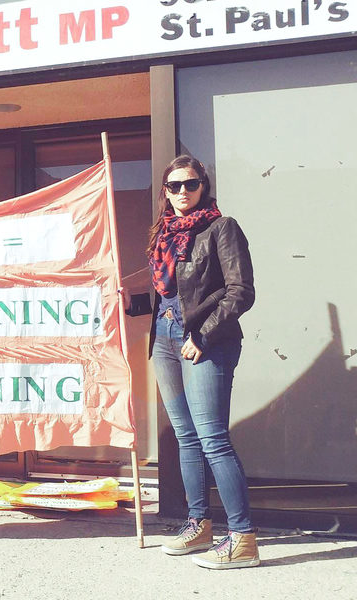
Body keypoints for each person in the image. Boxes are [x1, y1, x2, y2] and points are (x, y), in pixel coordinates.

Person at [127, 155, 258, 569]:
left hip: (205, 342)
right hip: (164, 339)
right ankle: (199, 524)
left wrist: (202, 335)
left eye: (191, 184)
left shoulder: (222, 228)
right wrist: (131, 303)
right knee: (186, 437)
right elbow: (174, 296)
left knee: (213, 439)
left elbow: (241, 291)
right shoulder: (164, 233)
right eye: (174, 186)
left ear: (204, 185)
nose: (182, 192)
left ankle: (243, 538)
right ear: (165, 191)